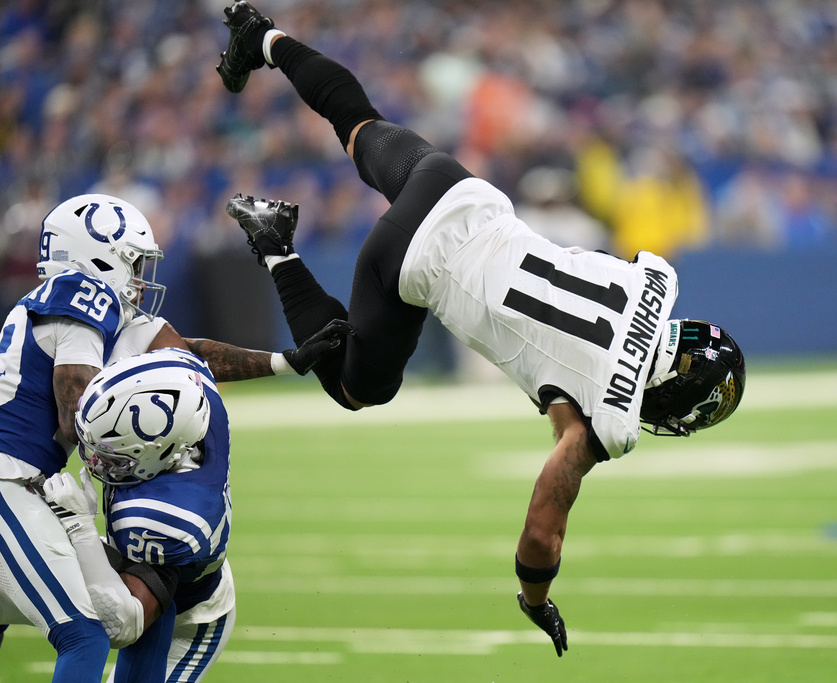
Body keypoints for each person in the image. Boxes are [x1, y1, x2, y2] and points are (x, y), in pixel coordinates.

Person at [216, 1, 745, 657]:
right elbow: (541, 531)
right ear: (675, 396)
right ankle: (276, 246)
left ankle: (261, 37)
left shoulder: (654, 280)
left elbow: (589, 295)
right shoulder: (602, 422)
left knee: (356, 122)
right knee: (358, 388)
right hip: (415, 262)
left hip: (457, 192)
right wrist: (535, 595)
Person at [0, 192, 345, 681]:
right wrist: (135, 436)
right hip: (11, 481)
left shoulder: (99, 317)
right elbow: (74, 407)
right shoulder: (81, 294)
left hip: (28, 483)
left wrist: (284, 362)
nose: (141, 276)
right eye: (133, 262)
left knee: (127, 589)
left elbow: (188, 356)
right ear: (97, 258)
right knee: (84, 632)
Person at [42, 348, 235, 683]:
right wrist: (282, 362)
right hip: (144, 568)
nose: (94, 463)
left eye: (113, 457)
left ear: (159, 452)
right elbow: (187, 352)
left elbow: (121, 626)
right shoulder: (191, 392)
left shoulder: (166, 519)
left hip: (188, 619)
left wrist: (80, 526)